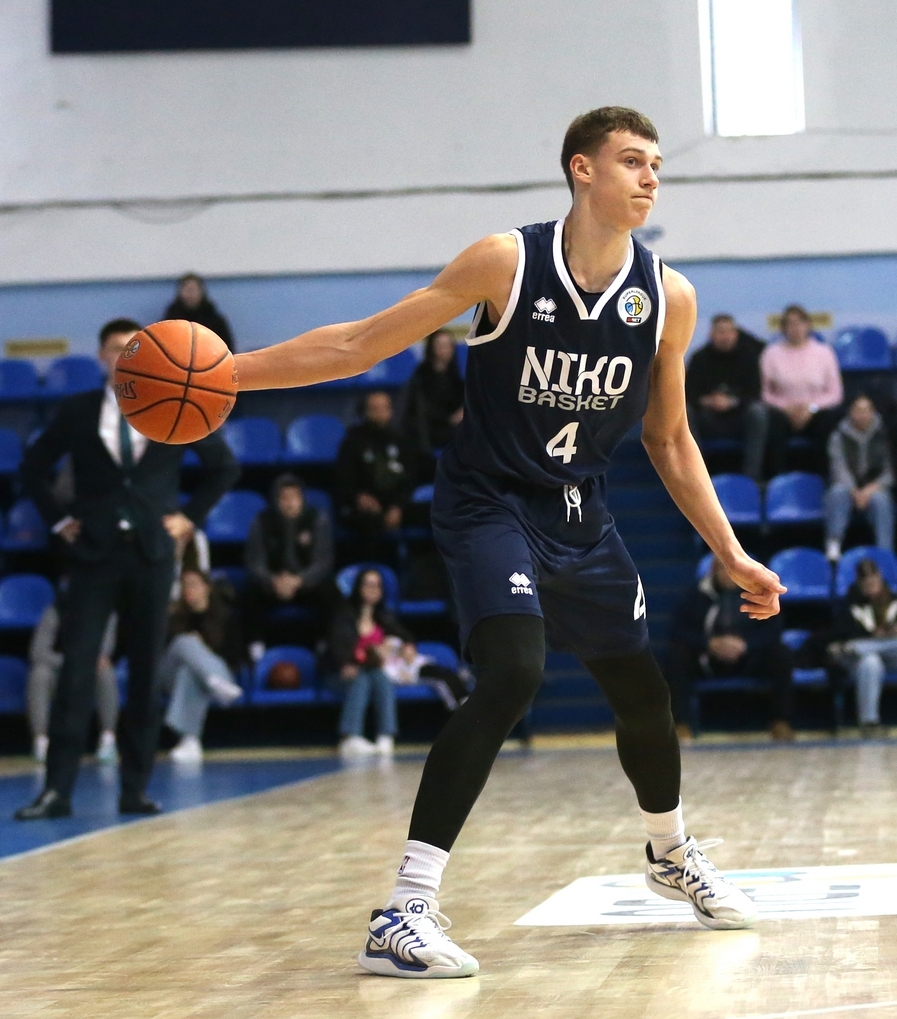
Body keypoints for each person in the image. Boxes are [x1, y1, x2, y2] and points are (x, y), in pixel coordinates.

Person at [152, 107, 786, 975]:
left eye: (656, 165)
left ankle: (669, 853)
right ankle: (403, 911)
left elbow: (669, 438)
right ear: (581, 169)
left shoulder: (667, 298)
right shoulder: (505, 262)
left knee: (644, 694)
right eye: (631, 161)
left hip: (580, 512)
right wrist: (226, 374)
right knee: (514, 670)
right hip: (488, 501)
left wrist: (729, 550)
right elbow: (359, 345)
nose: (649, 178)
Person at [15, 318, 239, 821]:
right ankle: (56, 791)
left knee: (144, 674)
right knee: (76, 671)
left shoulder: (176, 406)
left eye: (130, 348)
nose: (122, 356)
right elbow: (32, 468)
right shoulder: (77, 410)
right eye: (116, 349)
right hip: (93, 554)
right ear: (101, 356)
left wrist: (188, 518)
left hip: (151, 554)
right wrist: (60, 521)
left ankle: (135, 788)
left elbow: (225, 466)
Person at [666, 557, 794, 742]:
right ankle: (680, 725)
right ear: (713, 571)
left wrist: (746, 644)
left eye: (732, 570)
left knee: (781, 653)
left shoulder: (758, 594)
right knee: (676, 656)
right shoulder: (696, 595)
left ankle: (781, 722)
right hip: (708, 659)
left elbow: (773, 630)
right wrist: (709, 644)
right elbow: (678, 631)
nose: (728, 575)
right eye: (723, 569)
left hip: (748, 657)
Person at [325, 567, 415, 758]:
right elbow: (337, 648)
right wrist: (345, 664)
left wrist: (407, 645)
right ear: (358, 587)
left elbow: (404, 635)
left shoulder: (383, 617)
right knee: (360, 678)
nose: (373, 589)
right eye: (368, 584)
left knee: (381, 677)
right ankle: (349, 737)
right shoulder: (344, 614)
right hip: (340, 673)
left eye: (377, 585)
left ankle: (386, 735)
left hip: (370, 671)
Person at [244, 473, 335, 652]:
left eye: (294, 497)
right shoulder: (261, 521)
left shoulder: (317, 519)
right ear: (276, 501)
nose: (290, 503)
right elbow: (254, 563)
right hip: (273, 583)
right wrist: (272, 580)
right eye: (284, 498)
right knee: (249, 592)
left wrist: (299, 580)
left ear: (302, 499)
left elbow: (323, 562)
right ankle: (255, 647)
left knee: (330, 592)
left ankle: (324, 645)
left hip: (306, 583)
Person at [160, 569, 244, 763]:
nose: (188, 589)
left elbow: (234, 656)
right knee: (185, 642)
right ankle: (215, 680)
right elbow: (163, 652)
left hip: (195, 676)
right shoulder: (173, 616)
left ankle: (190, 740)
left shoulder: (225, 617)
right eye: (185, 585)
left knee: (189, 673)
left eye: (194, 584)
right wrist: (195, 646)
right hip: (169, 674)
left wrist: (204, 650)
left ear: (206, 588)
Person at [27, 600, 118, 764]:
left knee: (105, 671)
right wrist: (71, 662)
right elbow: (38, 652)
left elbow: (104, 651)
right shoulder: (55, 611)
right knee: (39, 674)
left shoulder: (106, 612)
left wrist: (85, 663)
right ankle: (41, 740)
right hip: (59, 670)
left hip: (88, 672)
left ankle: (108, 738)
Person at [760, 305, 843, 477]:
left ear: (808, 325)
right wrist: (786, 408)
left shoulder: (824, 352)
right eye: (790, 324)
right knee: (771, 420)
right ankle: (778, 478)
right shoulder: (771, 353)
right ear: (783, 328)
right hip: (783, 412)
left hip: (816, 412)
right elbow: (764, 392)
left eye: (799, 323)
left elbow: (835, 393)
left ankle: (824, 478)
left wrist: (811, 408)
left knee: (829, 420)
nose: (795, 328)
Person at [685, 314, 768, 479]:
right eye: (720, 332)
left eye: (729, 332)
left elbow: (755, 393)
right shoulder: (699, 358)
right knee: (685, 412)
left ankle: (752, 478)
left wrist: (732, 402)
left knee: (758, 412)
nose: (725, 336)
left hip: (738, 418)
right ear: (711, 334)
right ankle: (696, 475)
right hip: (708, 418)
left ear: (736, 334)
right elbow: (688, 393)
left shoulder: (748, 358)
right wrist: (708, 401)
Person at [334, 391, 413, 562]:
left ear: (391, 411)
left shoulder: (401, 440)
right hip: (364, 506)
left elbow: (409, 477)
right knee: (370, 522)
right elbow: (343, 479)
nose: (380, 413)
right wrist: (358, 496)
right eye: (374, 409)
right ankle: (374, 570)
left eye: (384, 408)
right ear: (365, 412)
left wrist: (398, 506)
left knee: (438, 513)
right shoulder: (352, 441)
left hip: (396, 503)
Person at [829, 558, 897, 738]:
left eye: (874, 579)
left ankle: (857, 647)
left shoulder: (894, 600)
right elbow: (841, 632)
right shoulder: (851, 604)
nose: (871, 584)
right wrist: (871, 634)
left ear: (880, 577)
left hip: (892, 654)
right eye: (866, 582)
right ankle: (869, 723)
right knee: (871, 662)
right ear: (859, 583)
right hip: (859, 661)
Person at [824, 394, 895, 561]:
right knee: (837, 493)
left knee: (882, 500)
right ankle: (833, 545)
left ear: (873, 412)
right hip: (847, 486)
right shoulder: (838, 436)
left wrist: (869, 490)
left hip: (875, 486)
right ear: (850, 412)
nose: (862, 415)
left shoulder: (885, 435)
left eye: (866, 410)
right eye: (858, 410)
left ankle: (885, 552)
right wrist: (854, 490)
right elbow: (838, 467)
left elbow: (889, 471)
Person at [401, 328, 465, 477]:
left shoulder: (456, 378)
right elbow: (419, 413)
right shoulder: (420, 378)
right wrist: (449, 419)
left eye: (448, 345)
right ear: (431, 348)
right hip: (427, 433)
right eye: (440, 345)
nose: (444, 350)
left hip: (454, 430)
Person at [164, 272, 235, 352]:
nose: (190, 294)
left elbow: (228, 349)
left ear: (202, 292)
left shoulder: (216, 321)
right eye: (187, 290)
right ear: (179, 292)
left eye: (193, 290)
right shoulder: (170, 321)